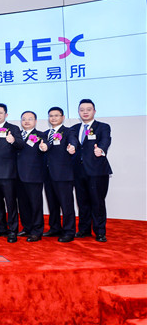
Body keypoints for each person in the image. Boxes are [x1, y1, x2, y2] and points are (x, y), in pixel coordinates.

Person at [70, 99, 112, 242]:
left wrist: (101, 149)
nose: (85, 112)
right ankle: (84, 230)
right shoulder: (74, 129)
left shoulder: (103, 127)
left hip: (97, 170)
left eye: (88, 109)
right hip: (78, 171)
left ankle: (100, 232)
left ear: (94, 111)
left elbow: (106, 140)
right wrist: (71, 147)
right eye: (82, 110)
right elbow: (73, 142)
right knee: (82, 202)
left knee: (97, 202)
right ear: (78, 112)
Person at [0, 103, 24, 243]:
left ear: (6, 115)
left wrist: (13, 140)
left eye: (0, 113)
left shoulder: (13, 128)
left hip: (8, 173)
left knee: (11, 203)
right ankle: (1, 228)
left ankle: (13, 230)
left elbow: (21, 145)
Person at [43, 107, 78, 243]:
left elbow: (73, 141)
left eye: (56, 115)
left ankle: (69, 231)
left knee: (66, 204)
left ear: (62, 117)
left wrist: (72, 147)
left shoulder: (69, 131)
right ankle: (55, 228)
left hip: (63, 175)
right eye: (51, 116)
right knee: (52, 204)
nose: (53, 118)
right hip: (47, 174)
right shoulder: (45, 133)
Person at [16, 111, 48, 242]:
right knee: (23, 204)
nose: (26, 121)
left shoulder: (41, 135)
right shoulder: (17, 135)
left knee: (35, 204)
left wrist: (44, 147)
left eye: (30, 119)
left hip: (34, 176)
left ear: (35, 121)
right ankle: (27, 227)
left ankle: (37, 231)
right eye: (24, 119)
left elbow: (45, 146)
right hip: (18, 176)